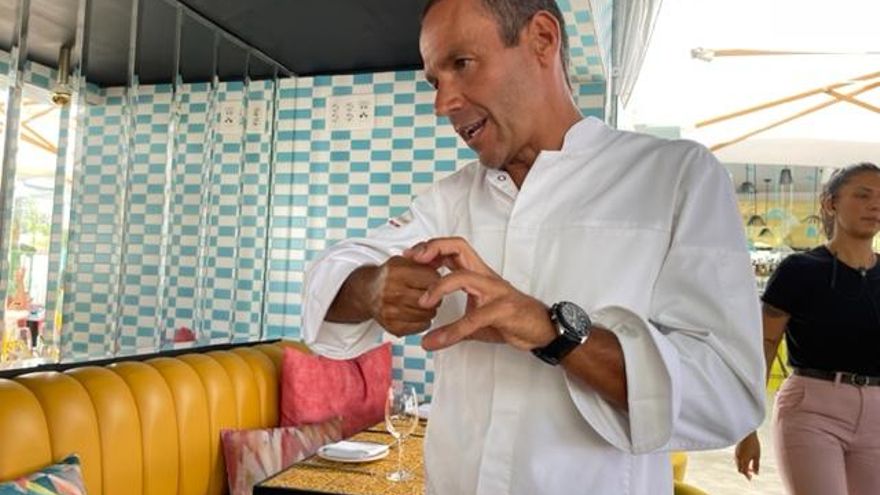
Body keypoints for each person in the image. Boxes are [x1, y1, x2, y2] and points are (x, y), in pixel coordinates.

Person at [302, 0, 765, 493]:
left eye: (461, 64)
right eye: (435, 81)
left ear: (542, 39)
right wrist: (372, 288)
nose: (443, 103)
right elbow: (334, 274)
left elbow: (726, 392)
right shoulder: (448, 200)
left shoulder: (674, 178)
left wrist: (553, 332)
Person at [735, 163, 880, 495]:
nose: (875, 205)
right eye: (862, 195)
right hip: (813, 409)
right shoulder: (799, 270)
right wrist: (747, 426)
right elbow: (765, 344)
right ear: (831, 203)